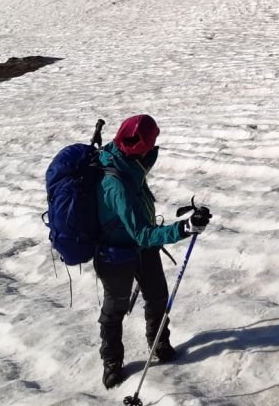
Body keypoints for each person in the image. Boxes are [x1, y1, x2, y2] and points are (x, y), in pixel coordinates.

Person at [95, 114, 213, 389]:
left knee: (158, 296)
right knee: (114, 308)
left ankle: (159, 342)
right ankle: (112, 361)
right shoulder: (116, 183)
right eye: (150, 144)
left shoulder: (128, 162)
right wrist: (183, 229)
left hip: (143, 248)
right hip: (115, 253)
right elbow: (142, 233)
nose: (151, 149)